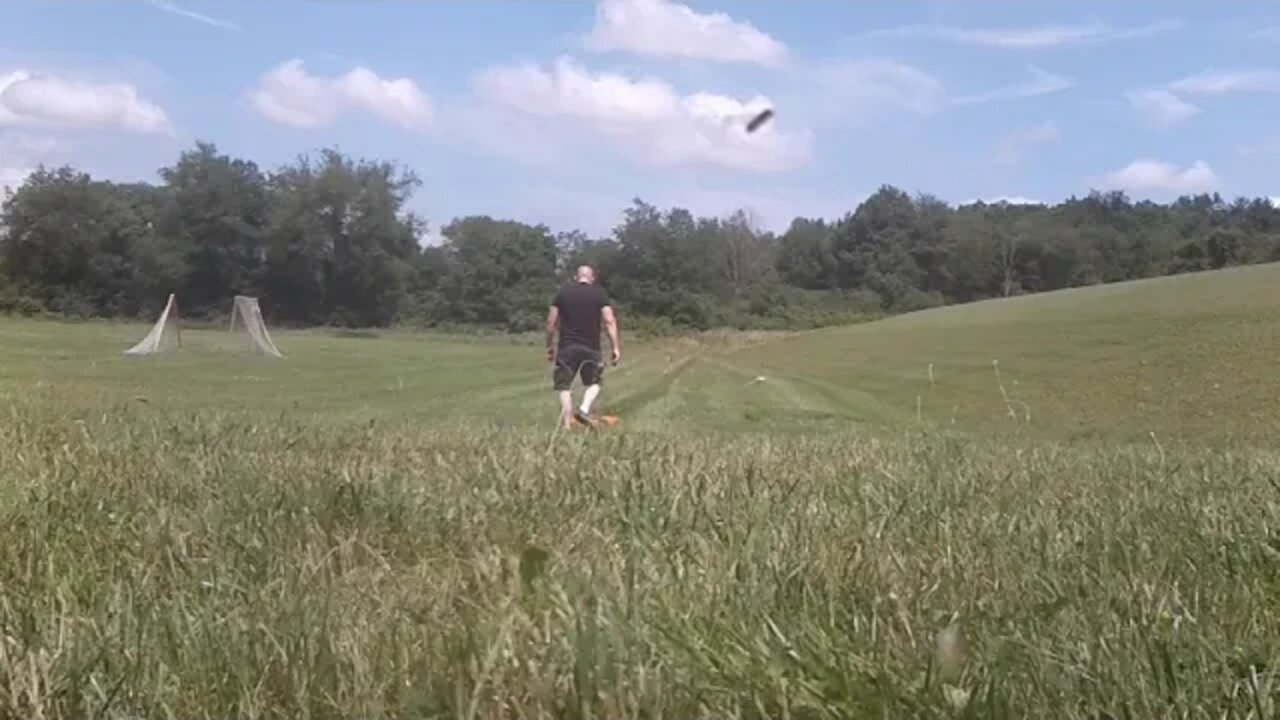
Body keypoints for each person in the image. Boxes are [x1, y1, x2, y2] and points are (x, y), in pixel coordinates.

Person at [545, 265, 620, 428]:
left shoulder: (563, 293)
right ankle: (584, 409)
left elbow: (551, 322)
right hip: (591, 347)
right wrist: (615, 346)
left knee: (564, 387)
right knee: (595, 383)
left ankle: (566, 427)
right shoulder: (599, 293)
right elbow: (609, 320)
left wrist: (549, 345)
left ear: (576, 277)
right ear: (591, 278)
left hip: (567, 347)